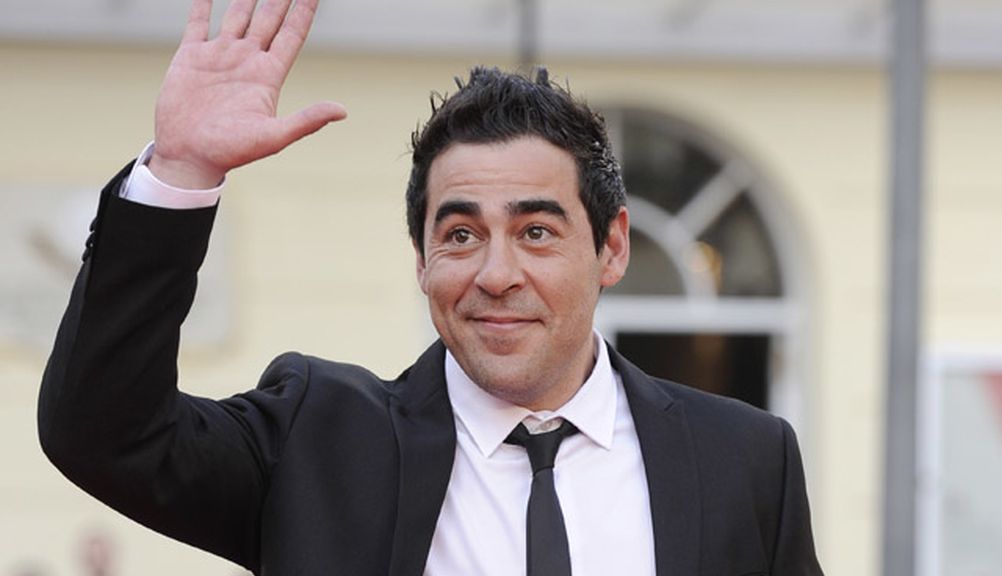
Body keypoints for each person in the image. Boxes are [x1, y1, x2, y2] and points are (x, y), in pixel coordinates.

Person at [38, 0, 824, 574]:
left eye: (536, 232)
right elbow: (102, 434)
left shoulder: (746, 461)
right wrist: (181, 173)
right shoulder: (316, 444)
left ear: (611, 248)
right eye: (460, 235)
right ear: (421, 260)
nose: (496, 274)